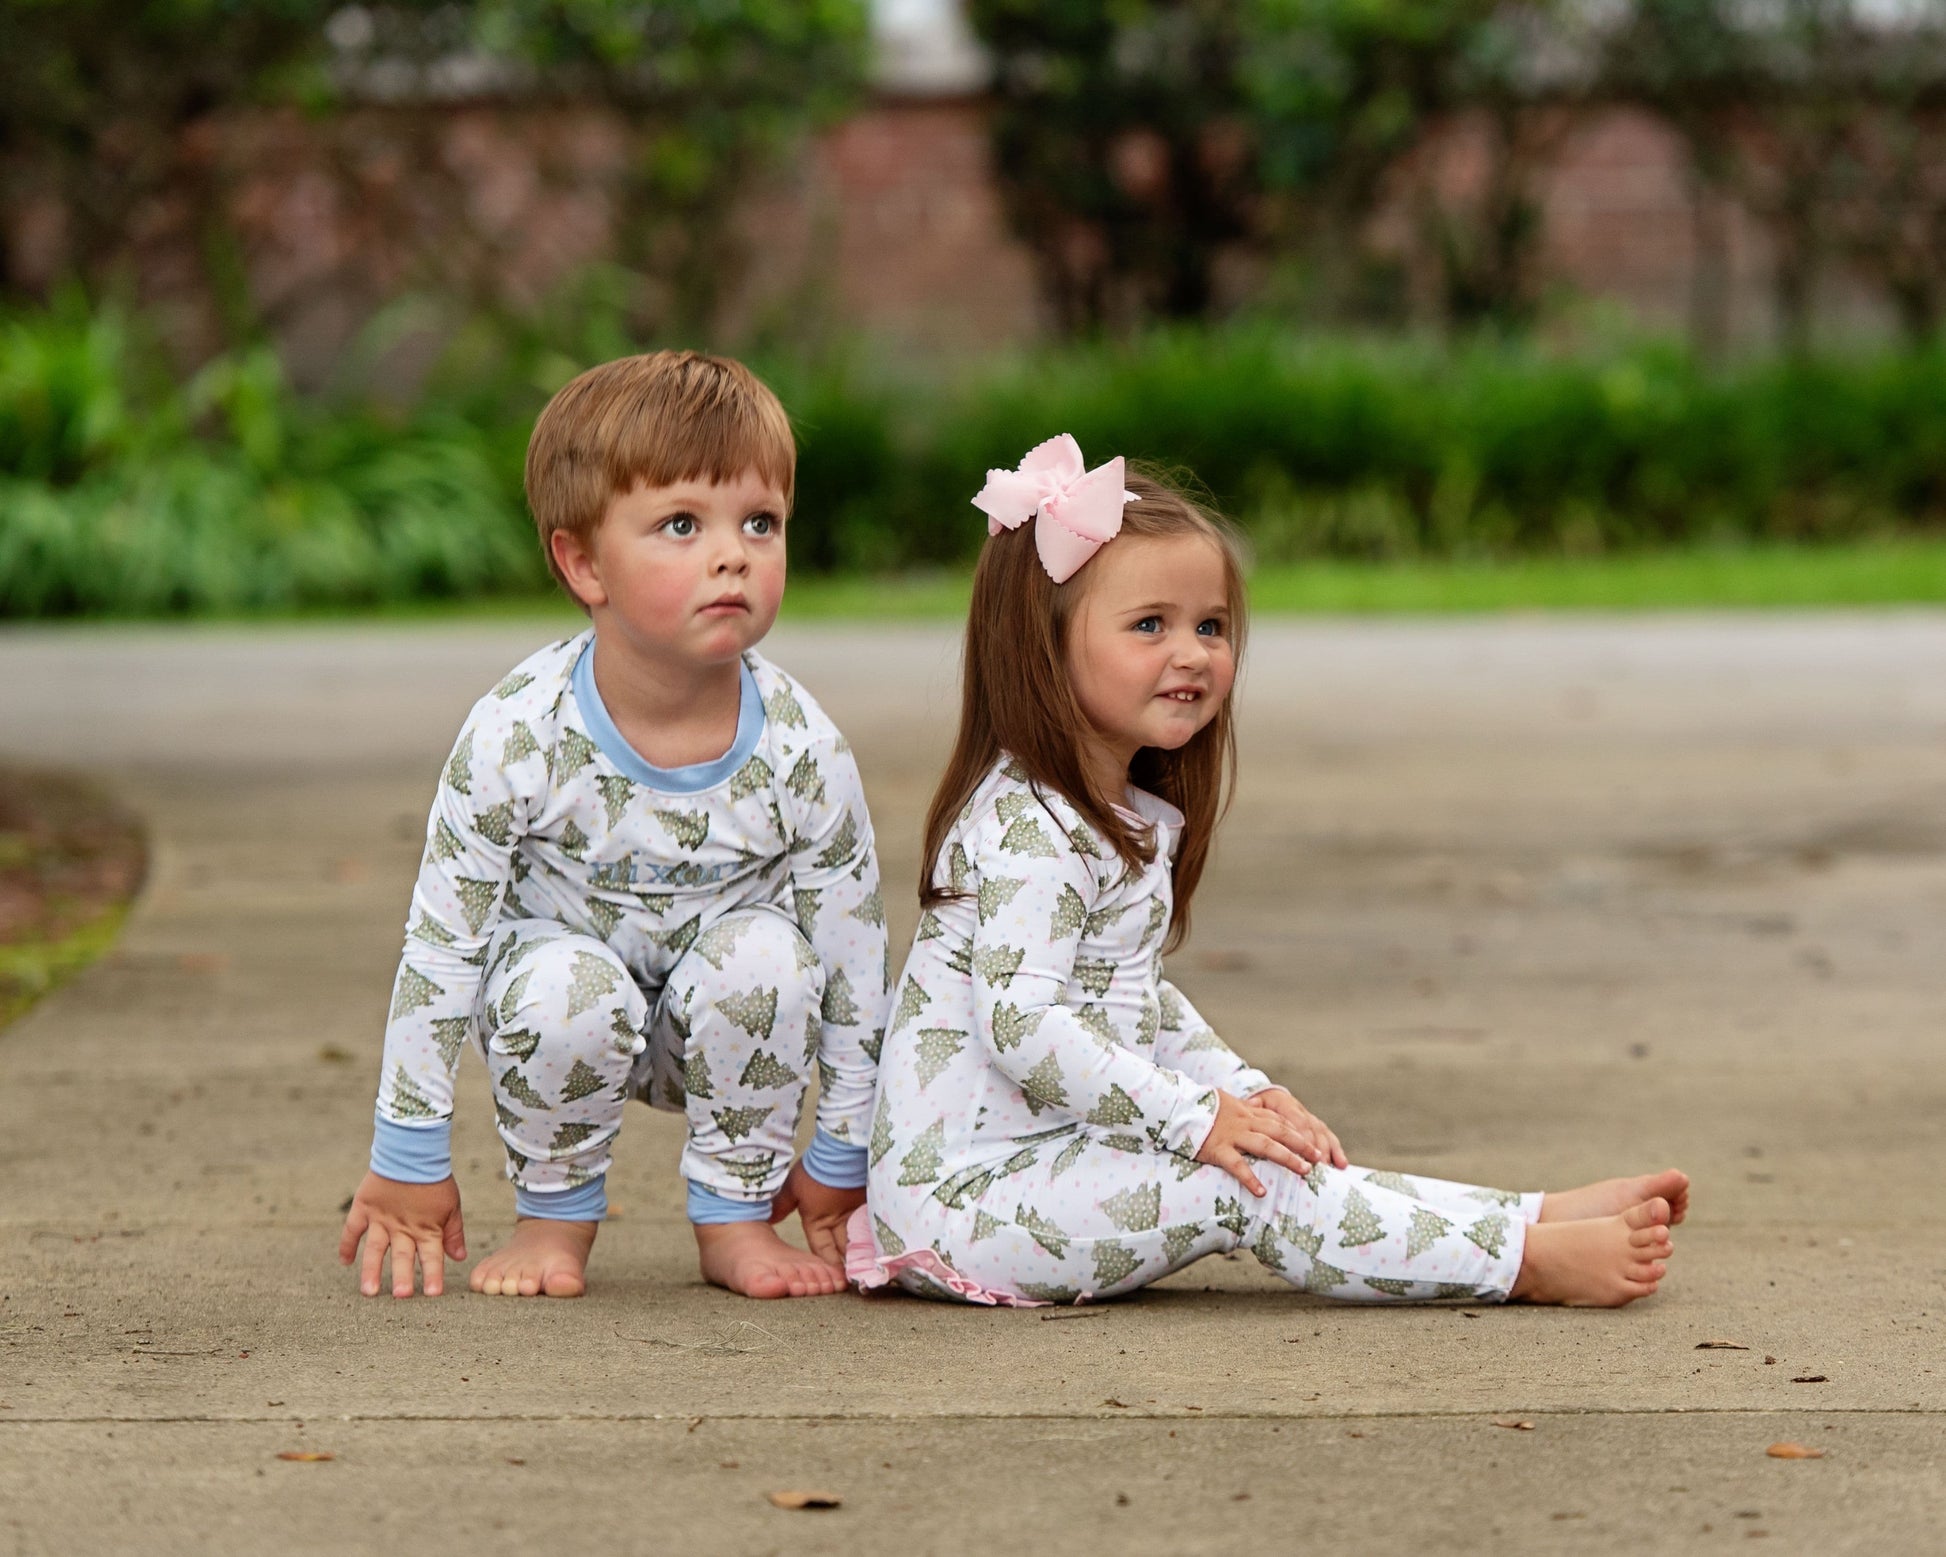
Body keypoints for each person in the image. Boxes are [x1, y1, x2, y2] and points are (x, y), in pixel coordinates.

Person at [853, 436, 1686, 1307]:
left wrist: (1245, 1090)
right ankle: (1521, 1263)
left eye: (1210, 625)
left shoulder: (1113, 815)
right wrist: (1197, 1117)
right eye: (1151, 624)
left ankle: (1527, 1216)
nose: (1194, 652)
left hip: (1046, 1167)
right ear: (1042, 646)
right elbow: (1024, 1024)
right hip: (969, 1205)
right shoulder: (1031, 826)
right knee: (1245, 1180)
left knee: (1279, 1150)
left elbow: (1136, 1001)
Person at [339, 351, 887, 1301]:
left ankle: (735, 1218)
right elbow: (444, 940)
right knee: (564, 987)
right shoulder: (517, 733)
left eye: (760, 522)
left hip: (723, 1014)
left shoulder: (803, 747)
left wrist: (841, 1148)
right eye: (682, 524)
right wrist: (407, 1147)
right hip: (560, 1002)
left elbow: (853, 956)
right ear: (583, 562)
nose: (734, 554)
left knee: (775, 957)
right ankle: (555, 1217)